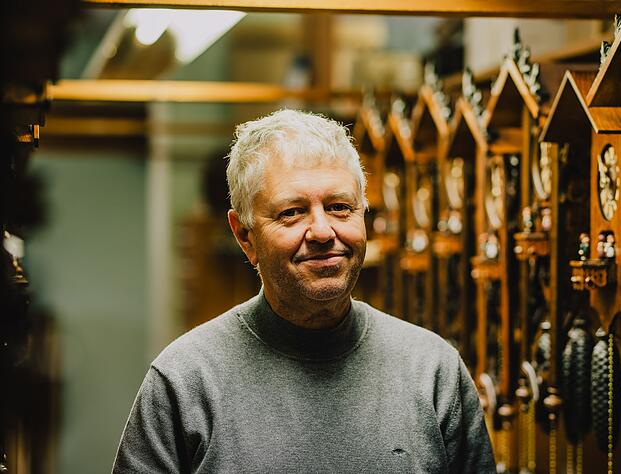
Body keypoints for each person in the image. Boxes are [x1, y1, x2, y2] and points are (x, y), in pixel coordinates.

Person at [112, 109, 495, 473]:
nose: (323, 232)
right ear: (245, 236)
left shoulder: (433, 372)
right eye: (291, 212)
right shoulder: (185, 381)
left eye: (340, 207)